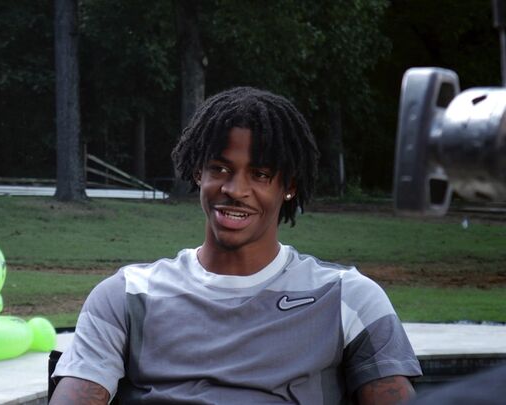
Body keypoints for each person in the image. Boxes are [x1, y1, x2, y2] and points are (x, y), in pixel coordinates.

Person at [51, 87, 422, 404]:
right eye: (220, 169)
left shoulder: (347, 298)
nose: (235, 189)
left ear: (289, 186)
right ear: (198, 172)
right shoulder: (127, 296)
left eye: (259, 174)